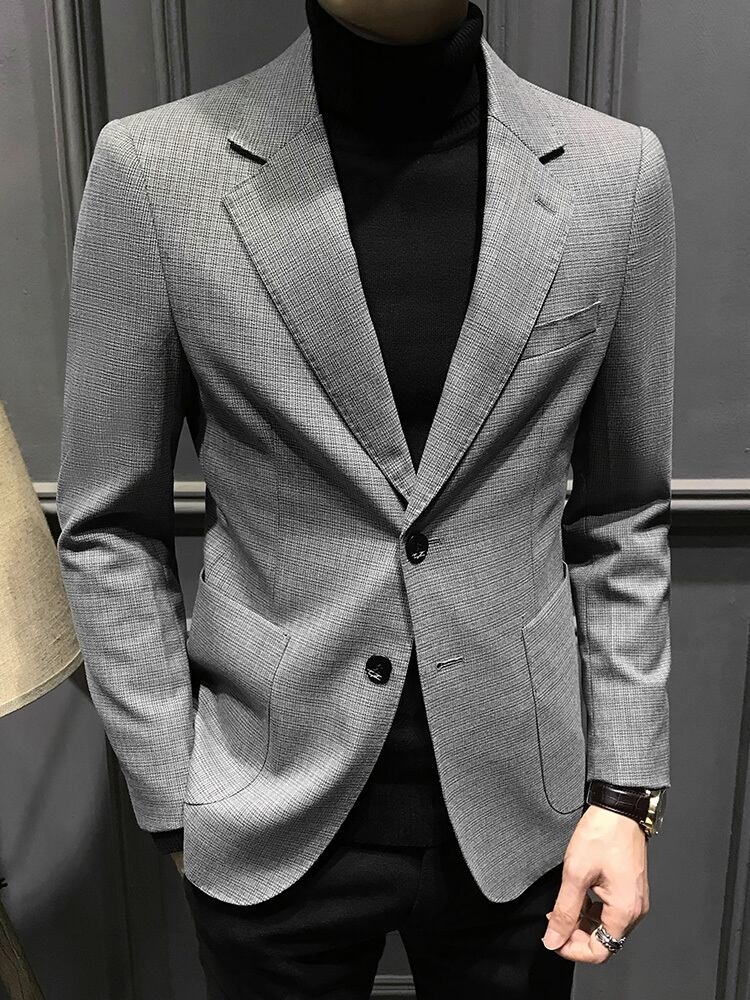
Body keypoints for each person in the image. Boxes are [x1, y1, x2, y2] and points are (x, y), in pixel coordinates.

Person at [56, 0, 675, 996]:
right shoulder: (157, 171)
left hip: (525, 819)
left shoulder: (615, 174)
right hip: (268, 808)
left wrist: (624, 792)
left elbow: (622, 513)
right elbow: (108, 526)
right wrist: (175, 795)